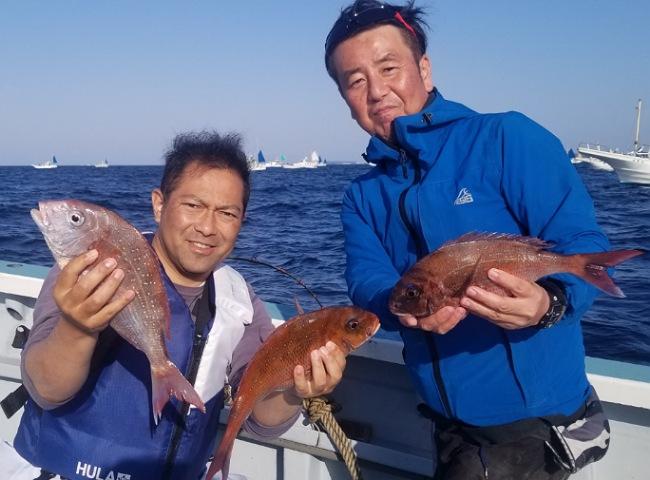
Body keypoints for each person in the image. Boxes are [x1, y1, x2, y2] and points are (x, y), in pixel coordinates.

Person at [325, 1, 611, 479]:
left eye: (389, 68)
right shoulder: (362, 195)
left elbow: (581, 241)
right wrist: (404, 308)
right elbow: (367, 278)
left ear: (424, 68)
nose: (376, 91)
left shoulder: (506, 137)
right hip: (447, 426)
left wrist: (549, 303)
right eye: (354, 81)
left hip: (535, 426)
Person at [10, 131, 347, 479]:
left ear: (242, 221)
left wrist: (295, 390)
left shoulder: (239, 302)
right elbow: (45, 391)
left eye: (227, 213)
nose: (207, 227)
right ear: (159, 205)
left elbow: (261, 421)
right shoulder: (90, 272)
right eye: (193, 206)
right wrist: (77, 328)